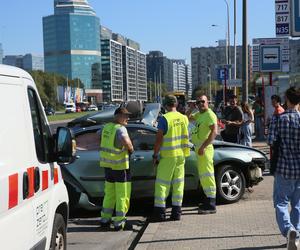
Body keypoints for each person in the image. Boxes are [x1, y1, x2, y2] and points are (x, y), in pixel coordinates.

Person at [267, 87, 300, 250]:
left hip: (283, 167)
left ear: (287, 99)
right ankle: (296, 235)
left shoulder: (279, 118)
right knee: (298, 203)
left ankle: (289, 230)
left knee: (280, 202)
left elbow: (271, 140)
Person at [151, 95, 190, 221]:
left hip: (168, 156)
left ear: (165, 105)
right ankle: (176, 213)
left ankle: (160, 213)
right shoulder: (183, 118)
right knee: (178, 184)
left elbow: (158, 139)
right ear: (176, 104)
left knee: (162, 184)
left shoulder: (164, 119)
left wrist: (155, 155)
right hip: (181, 155)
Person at [99, 107, 134, 231]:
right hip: (119, 167)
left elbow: (100, 137)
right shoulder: (120, 129)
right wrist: (130, 149)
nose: (127, 118)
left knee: (109, 193)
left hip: (107, 167)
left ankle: (105, 219)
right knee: (122, 194)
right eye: (125, 116)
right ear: (118, 116)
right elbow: (126, 142)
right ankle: (119, 222)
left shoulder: (106, 127)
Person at [187, 95, 218, 214]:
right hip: (199, 149)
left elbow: (214, 132)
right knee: (203, 176)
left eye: (202, 102)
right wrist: (191, 107)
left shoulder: (209, 114)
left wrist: (203, 146)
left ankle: (211, 204)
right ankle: (208, 200)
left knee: (207, 175)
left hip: (205, 149)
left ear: (208, 102)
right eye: (198, 102)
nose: (200, 104)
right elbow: (187, 117)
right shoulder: (199, 114)